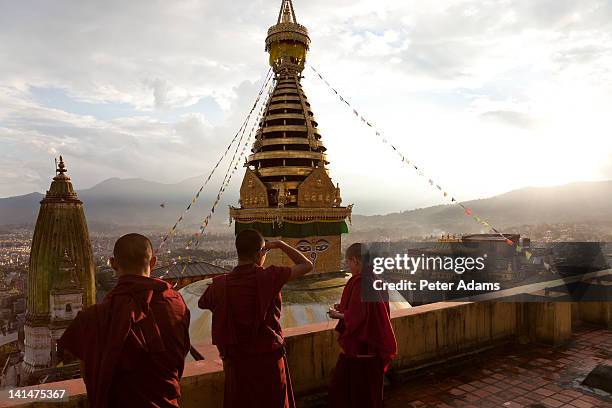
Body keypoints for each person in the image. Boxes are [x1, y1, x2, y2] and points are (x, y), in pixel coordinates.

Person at [58, 233, 191, 408]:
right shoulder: (176, 303)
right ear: (153, 262)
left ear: (112, 263)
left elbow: (89, 374)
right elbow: (179, 356)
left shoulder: (93, 318)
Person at [198, 229, 313, 408]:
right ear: (260, 253)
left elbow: (203, 303)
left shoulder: (220, 285)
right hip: (269, 361)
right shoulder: (270, 276)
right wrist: (280, 245)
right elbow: (307, 265)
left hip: (238, 364)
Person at [328, 243, 397, 408]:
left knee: (355, 395)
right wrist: (344, 307)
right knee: (371, 394)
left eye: (349, 263)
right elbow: (369, 310)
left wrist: (337, 314)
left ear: (355, 260)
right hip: (375, 346)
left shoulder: (360, 282)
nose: (349, 267)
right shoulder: (376, 279)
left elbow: (359, 317)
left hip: (361, 349)